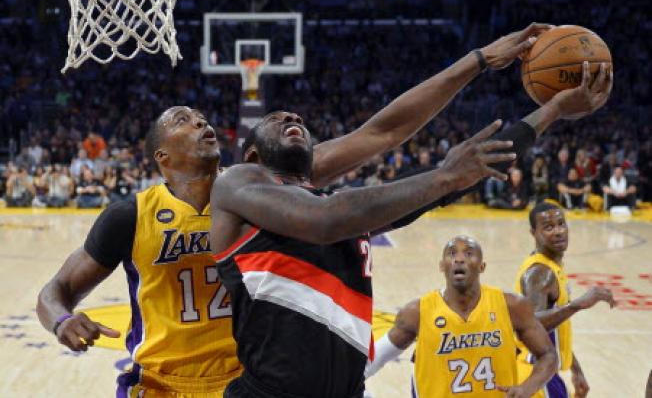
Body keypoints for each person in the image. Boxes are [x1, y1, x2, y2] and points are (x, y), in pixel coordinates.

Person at [209, 59, 612, 397]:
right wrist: (443, 177)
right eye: (277, 119)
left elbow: (469, 167)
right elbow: (328, 219)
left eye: (295, 117)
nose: (292, 117)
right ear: (252, 153)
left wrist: (553, 109)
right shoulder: (237, 185)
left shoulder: (350, 209)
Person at [365, 236, 558, 398]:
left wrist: (527, 388)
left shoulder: (511, 306)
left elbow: (548, 355)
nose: (459, 259)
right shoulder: (417, 312)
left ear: (482, 266)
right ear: (442, 265)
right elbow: (375, 360)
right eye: (452, 253)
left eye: (468, 253)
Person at [514, 202, 617, 398]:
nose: (558, 231)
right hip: (535, 373)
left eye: (561, 224)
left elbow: (556, 329)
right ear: (533, 232)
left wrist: (574, 367)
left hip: (546, 372)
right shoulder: (539, 273)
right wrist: (577, 305)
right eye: (549, 227)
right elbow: (531, 325)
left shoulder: (551, 267)